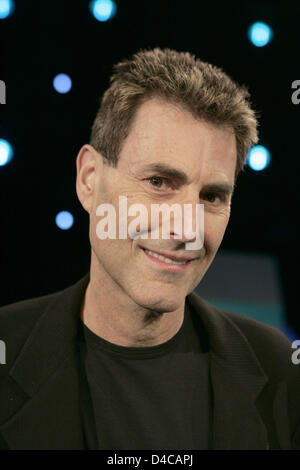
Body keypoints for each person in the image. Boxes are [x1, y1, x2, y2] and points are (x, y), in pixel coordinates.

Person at [0, 48, 299, 450]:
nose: (188, 228)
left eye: (211, 196)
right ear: (89, 179)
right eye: (159, 182)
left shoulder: (279, 369)